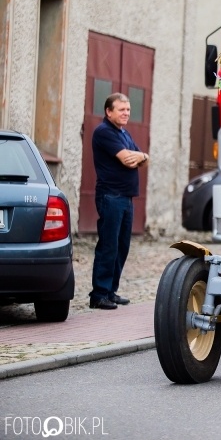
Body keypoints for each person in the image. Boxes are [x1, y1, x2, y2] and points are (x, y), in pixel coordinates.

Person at [89, 93, 149, 310]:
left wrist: (142, 156)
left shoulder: (123, 132)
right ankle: (99, 294)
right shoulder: (104, 132)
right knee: (109, 245)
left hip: (125, 197)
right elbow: (128, 160)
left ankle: (110, 291)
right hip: (110, 196)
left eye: (128, 110)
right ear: (109, 112)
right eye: (122, 110)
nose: (126, 113)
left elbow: (142, 158)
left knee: (122, 246)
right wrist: (141, 156)